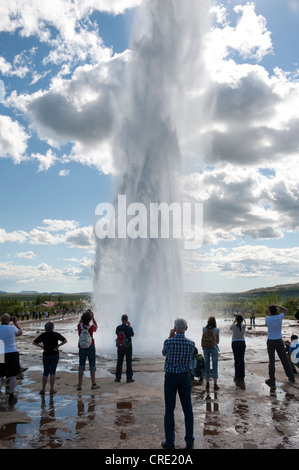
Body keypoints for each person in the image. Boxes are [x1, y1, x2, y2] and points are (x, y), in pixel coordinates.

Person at [162, 318, 195, 449]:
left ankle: (170, 442)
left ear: (174, 329)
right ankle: (189, 441)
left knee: (169, 409)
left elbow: (164, 353)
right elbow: (191, 356)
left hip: (170, 377)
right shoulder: (191, 344)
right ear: (186, 328)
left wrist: (170, 337)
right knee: (188, 409)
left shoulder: (168, 342)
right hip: (185, 377)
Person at [265, 304, 295, 387]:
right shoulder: (279, 317)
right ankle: (291, 377)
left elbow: (267, 325)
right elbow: (286, 309)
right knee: (284, 359)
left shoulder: (267, 318)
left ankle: (272, 379)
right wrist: (277, 306)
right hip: (279, 340)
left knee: (272, 361)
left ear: (270, 311)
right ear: (276, 311)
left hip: (271, 341)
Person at [33, 321, 67, 395]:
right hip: (54, 354)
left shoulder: (43, 335)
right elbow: (65, 340)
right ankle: (51, 389)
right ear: (52, 328)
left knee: (45, 371)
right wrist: (57, 346)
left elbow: (34, 342)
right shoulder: (56, 334)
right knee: (52, 371)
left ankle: (43, 389)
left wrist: (42, 347)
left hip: (46, 354)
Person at [0, 313, 23, 404]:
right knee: (13, 375)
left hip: (1, 353)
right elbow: (20, 332)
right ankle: (11, 395)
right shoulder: (12, 328)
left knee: (0, 375)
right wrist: (16, 323)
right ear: (9, 320)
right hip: (12, 353)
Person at [77, 310, 100, 390]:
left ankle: (79, 384)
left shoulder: (79, 326)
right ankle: (93, 384)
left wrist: (85, 314)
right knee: (92, 365)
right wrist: (93, 317)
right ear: (90, 319)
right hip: (91, 346)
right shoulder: (91, 327)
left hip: (81, 346)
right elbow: (96, 326)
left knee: (81, 366)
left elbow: (80, 322)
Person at [115, 314, 134, 383]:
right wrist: (129, 326)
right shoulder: (129, 328)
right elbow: (132, 334)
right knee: (128, 361)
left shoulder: (118, 328)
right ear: (127, 320)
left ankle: (118, 378)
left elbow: (117, 333)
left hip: (120, 346)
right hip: (128, 346)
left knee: (119, 361)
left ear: (121, 320)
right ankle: (129, 378)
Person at [202, 316, 220, 391]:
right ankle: (215, 384)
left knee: (207, 364)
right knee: (215, 364)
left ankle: (207, 383)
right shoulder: (216, 330)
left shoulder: (204, 329)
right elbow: (218, 341)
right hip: (214, 348)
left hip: (206, 348)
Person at [230, 314, 246, 383]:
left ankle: (237, 376)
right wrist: (242, 318)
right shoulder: (243, 326)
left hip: (235, 343)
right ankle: (242, 376)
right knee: (242, 359)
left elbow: (230, 327)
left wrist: (234, 321)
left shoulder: (234, 326)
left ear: (236, 320)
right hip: (242, 342)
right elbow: (245, 323)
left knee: (236, 360)